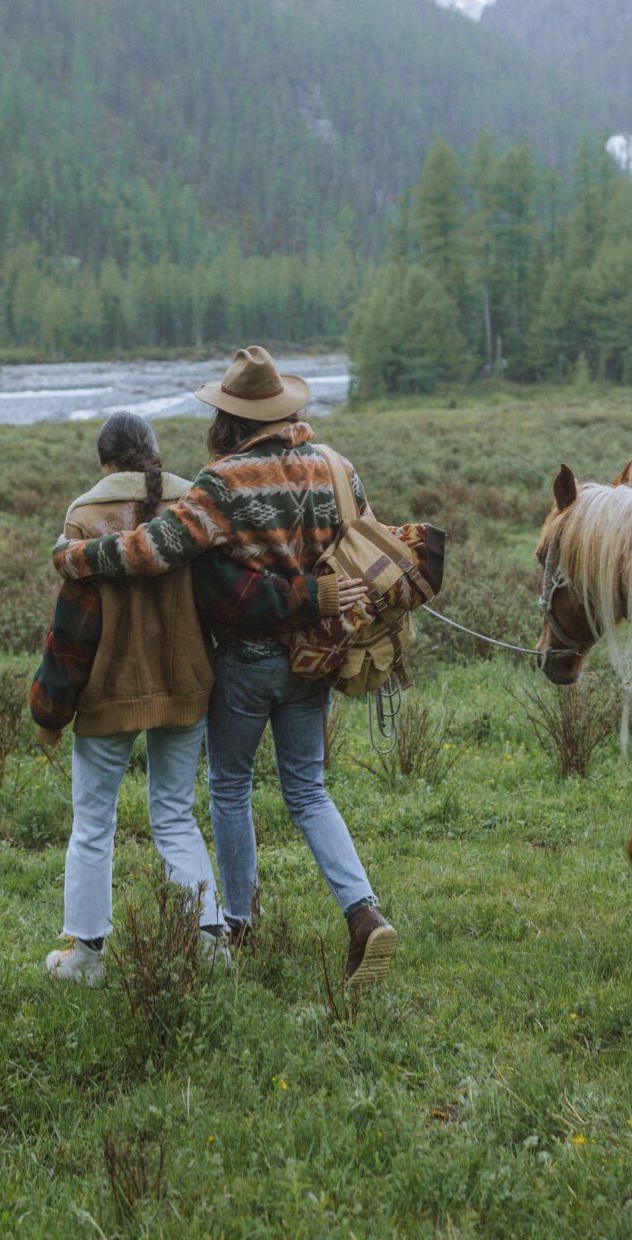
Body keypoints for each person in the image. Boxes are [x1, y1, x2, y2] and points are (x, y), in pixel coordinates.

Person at [51, 348, 422, 989]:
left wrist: (79, 555)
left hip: (248, 661)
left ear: (229, 417)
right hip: (318, 656)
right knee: (308, 792)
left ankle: (237, 925)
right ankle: (364, 914)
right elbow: (363, 540)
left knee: (229, 787)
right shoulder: (336, 466)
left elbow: (155, 550)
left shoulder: (222, 483)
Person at [28, 412, 340, 987]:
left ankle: (87, 957)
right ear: (152, 452)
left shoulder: (85, 514)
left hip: (109, 692)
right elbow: (222, 595)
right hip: (188, 683)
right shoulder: (192, 500)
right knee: (175, 816)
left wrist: (49, 708)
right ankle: (210, 941)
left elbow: (74, 630)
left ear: (105, 463)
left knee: (93, 822)